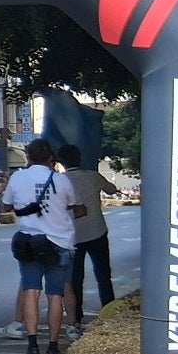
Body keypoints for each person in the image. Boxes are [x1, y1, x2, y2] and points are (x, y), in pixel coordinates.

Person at [2, 138, 85, 354]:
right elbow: (74, 206)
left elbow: (6, 206)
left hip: (29, 241)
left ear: (28, 157)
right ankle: (53, 346)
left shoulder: (18, 177)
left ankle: (31, 346)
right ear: (51, 158)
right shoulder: (62, 180)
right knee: (55, 294)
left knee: (31, 291)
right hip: (58, 243)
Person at [57, 144, 116, 338]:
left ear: (61, 162)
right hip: (97, 230)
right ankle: (110, 312)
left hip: (72, 235)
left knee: (75, 278)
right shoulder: (93, 176)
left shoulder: (59, 181)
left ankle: (77, 316)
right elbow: (112, 189)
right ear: (80, 158)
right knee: (103, 275)